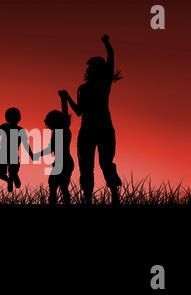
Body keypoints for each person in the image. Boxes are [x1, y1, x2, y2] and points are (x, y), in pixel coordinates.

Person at [61, 35, 122, 205]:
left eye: (95, 67)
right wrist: (67, 98)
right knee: (86, 166)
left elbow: (111, 57)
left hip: (102, 129)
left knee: (105, 163)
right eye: (92, 67)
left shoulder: (104, 83)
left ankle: (115, 196)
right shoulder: (83, 88)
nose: (92, 70)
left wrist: (107, 44)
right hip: (89, 130)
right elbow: (79, 111)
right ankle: (88, 198)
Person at [34, 92, 74, 205]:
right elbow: (50, 149)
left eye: (49, 124)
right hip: (62, 162)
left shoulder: (62, 130)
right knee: (59, 186)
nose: (49, 127)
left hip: (64, 163)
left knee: (56, 185)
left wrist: (63, 99)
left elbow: (50, 149)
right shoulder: (60, 131)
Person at [0, 107, 34, 192]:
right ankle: (10, 180)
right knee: (2, 173)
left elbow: (26, 144)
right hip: (6, 155)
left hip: (10, 155)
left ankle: (12, 177)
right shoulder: (7, 127)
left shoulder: (15, 129)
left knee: (6, 173)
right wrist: (31, 155)